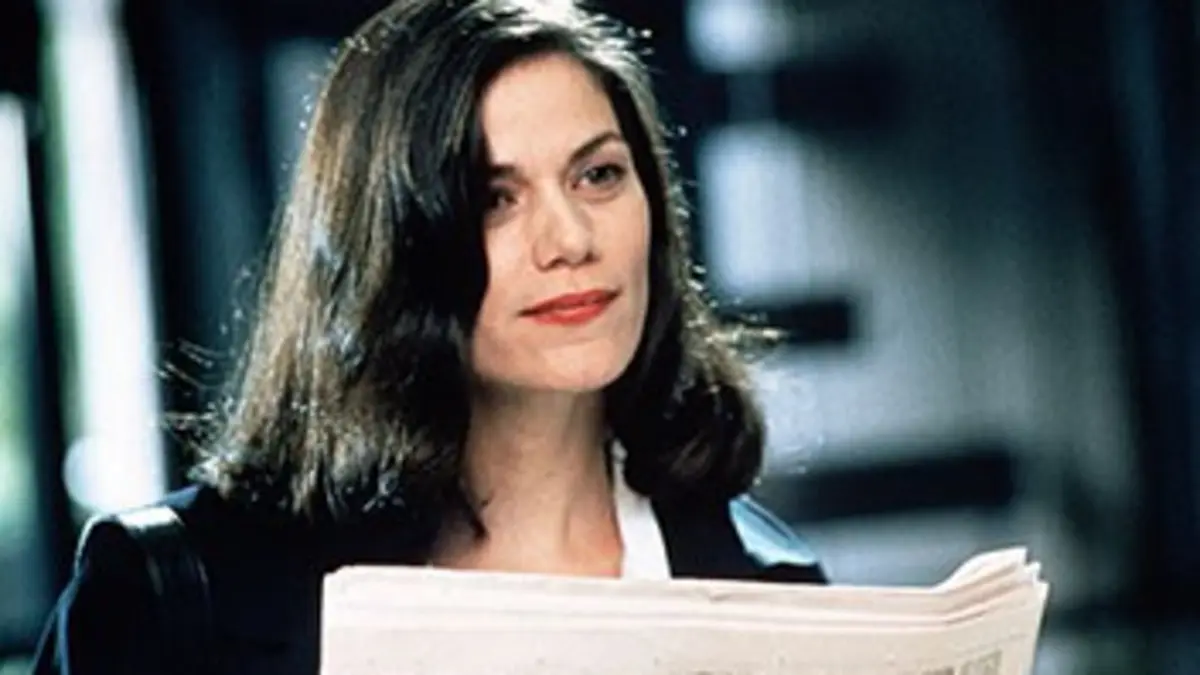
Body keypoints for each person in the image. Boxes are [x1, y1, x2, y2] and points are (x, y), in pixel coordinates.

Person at [31, 0, 826, 673]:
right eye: (492, 197)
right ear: (389, 245)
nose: (571, 238)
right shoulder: (170, 591)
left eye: (598, 175)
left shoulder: (776, 590)